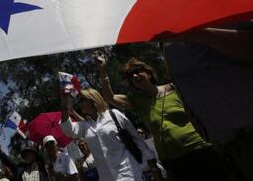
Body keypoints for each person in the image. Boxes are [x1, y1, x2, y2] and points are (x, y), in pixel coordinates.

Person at [97, 56, 230, 181]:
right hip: (173, 161)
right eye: (131, 76)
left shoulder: (174, 88)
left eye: (137, 71)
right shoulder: (138, 102)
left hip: (200, 150)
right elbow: (110, 98)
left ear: (149, 73)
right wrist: (102, 70)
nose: (135, 76)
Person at [60, 88, 160, 181]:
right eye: (79, 101)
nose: (80, 103)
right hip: (107, 177)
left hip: (130, 174)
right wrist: (64, 104)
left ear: (93, 99)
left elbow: (138, 141)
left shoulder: (114, 115)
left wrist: (154, 168)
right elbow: (67, 129)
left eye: (82, 100)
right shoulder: (84, 126)